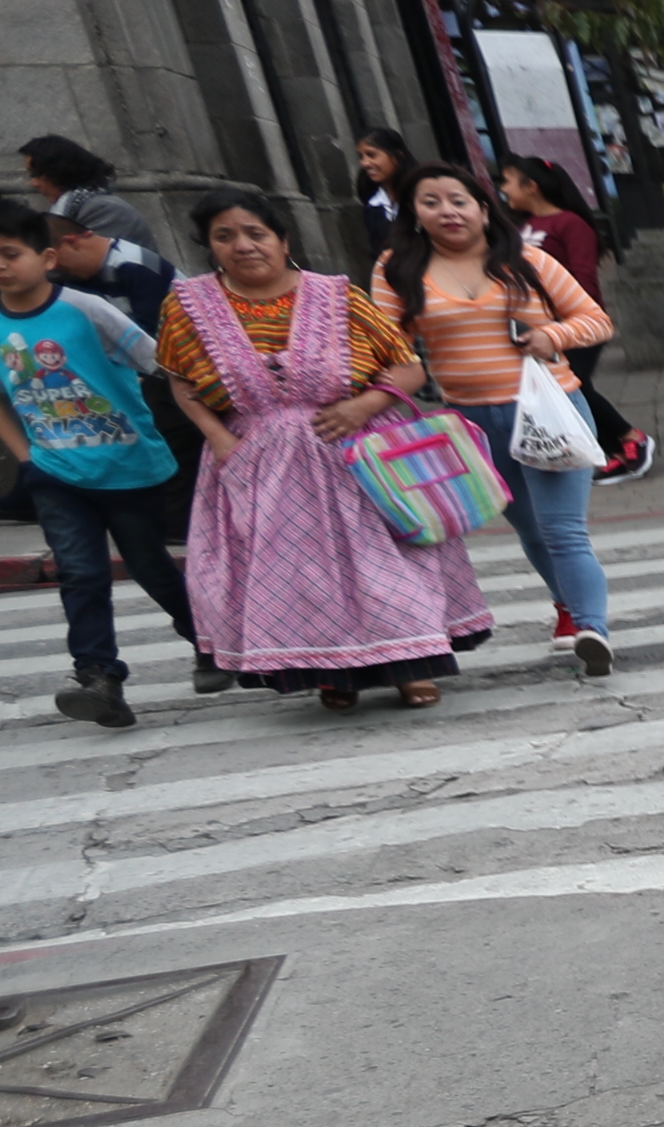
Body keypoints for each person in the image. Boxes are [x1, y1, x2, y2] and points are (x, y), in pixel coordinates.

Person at [158, 184, 480, 711]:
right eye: (225, 237)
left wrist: (363, 406)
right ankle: (333, 674)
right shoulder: (187, 307)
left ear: (283, 240)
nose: (242, 245)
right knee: (296, 574)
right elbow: (180, 382)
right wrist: (218, 440)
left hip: (355, 455)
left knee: (388, 564)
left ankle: (414, 665)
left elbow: (407, 365)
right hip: (257, 462)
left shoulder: (338, 295)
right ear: (209, 247)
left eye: (255, 233)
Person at [386, 162, 620, 677]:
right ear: (414, 214)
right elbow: (385, 346)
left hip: (548, 408)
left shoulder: (528, 260)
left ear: (484, 209)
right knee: (530, 530)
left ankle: (592, 630)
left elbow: (596, 320)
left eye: (459, 200)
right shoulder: (396, 269)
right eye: (431, 202)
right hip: (469, 421)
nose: (447, 211)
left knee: (562, 530)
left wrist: (552, 337)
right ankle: (567, 607)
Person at [0, 203, 219, 724]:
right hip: (55, 473)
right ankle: (99, 678)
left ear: (47, 256)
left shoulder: (85, 309)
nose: (1, 266)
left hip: (127, 466)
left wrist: (219, 419)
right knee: (79, 574)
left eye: (10, 254)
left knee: (153, 570)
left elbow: (160, 363)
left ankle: (210, 642)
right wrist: (27, 459)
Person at [495, 154, 654, 482]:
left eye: (508, 181)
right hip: (537, 329)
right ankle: (609, 448)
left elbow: (584, 277)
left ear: (532, 186)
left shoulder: (570, 224)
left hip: (574, 324)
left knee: (572, 385)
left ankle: (630, 439)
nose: (503, 189)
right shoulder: (520, 227)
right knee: (564, 387)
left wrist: (567, 320)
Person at [21, 134, 162, 258]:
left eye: (37, 174)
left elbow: (80, 265)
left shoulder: (102, 209)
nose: (34, 183)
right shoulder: (74, 206)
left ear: (59, 171)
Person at [354, 126, 414, 247]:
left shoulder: (421, 195)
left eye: (371, 155)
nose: (365, 163)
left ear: (398, 155)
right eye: (361, 157)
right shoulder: (373, 206)